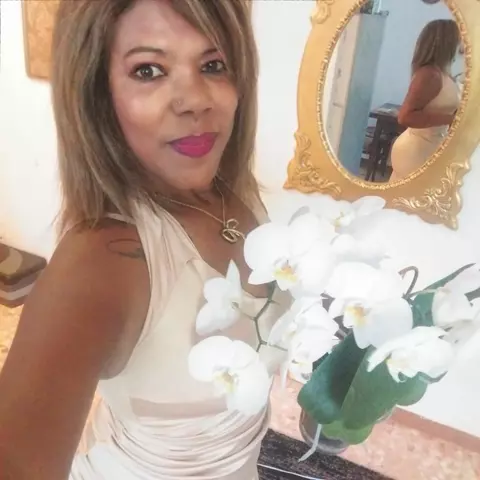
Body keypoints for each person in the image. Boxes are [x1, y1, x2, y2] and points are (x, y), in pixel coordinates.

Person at [0, 1, 290, 478]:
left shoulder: (232, 196)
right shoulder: (100, 263)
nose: (195, 100)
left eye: (213, 64)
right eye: (149, 70)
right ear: (99, 95)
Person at [389, 19, 462, 182]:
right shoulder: (430, 74)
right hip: (417, 149)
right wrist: (451, 119)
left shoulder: (443, 73)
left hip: (431, 145)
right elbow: (405, 117)